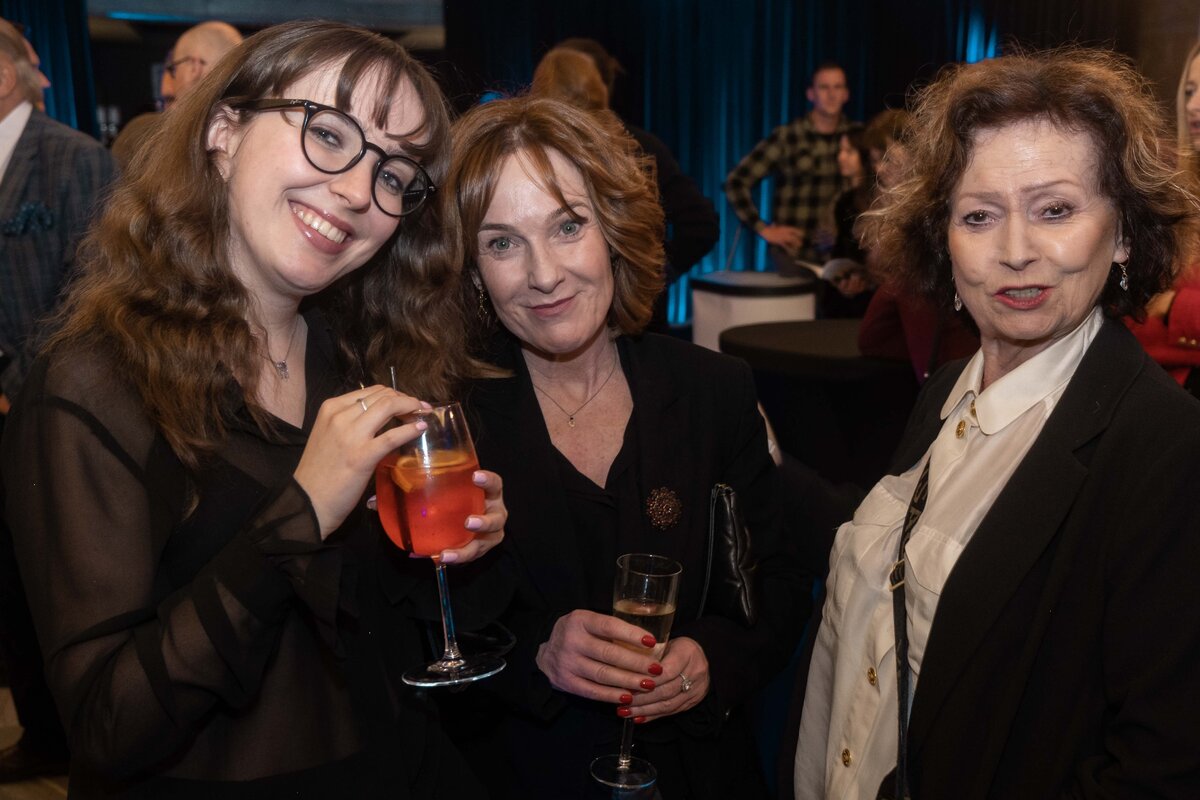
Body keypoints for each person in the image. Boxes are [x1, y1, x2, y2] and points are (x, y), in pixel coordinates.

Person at [2, 20, 506, 797]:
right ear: (223, 132)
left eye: (394, 173)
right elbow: (107, 723)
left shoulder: (357, 358)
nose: (357, 193)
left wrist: (454, 556)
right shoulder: (94, 384)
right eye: (329, 134)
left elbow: (365, 633)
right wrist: (300, 512)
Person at [791, 48, 1200, 799]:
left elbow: (1162, 765)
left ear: (1123, 234)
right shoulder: (945, 393)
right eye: (979, 216)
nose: (1015, 253)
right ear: (942, 241)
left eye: (1055, 210)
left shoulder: (1166, 450)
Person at [440, 96, 809, 799]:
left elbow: (783, 584)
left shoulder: (714, 391)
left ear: (612, 231)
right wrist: (536, 656)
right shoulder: (449, 423)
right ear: (472, 270)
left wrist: (712, 658)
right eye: (502, 243)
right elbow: (421, 629)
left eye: (567, 226)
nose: (543, 274)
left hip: (696, 775)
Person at [0, 18, 113, 783]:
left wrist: (20, 390)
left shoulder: (74, 158)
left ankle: (81, 739)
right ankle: (40, 732)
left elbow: (93, 290)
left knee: (53, 575)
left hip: (41, 407)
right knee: (7, 583)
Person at [550, 38, 720, 329]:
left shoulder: (532, 159)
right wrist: (652, 273)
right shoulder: (641, 146)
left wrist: (650, 273)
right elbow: (702, 224)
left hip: (615, 320)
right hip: (632, 320)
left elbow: (701, 224)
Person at [724, 62, 858, 270]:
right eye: (824, 87)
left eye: (837, 87)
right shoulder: (788, 136)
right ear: (811, 94)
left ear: (846, 94)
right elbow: (736, 181)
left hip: (843, 256)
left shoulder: (855, 137)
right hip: (794, 255)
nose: (831, 94)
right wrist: (763, 229)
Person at [1125, 40, 1200, 398]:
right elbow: (1131, 316)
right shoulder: (1173, 189)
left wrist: (1174, 308)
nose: (1193, 105)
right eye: (1189, 91)